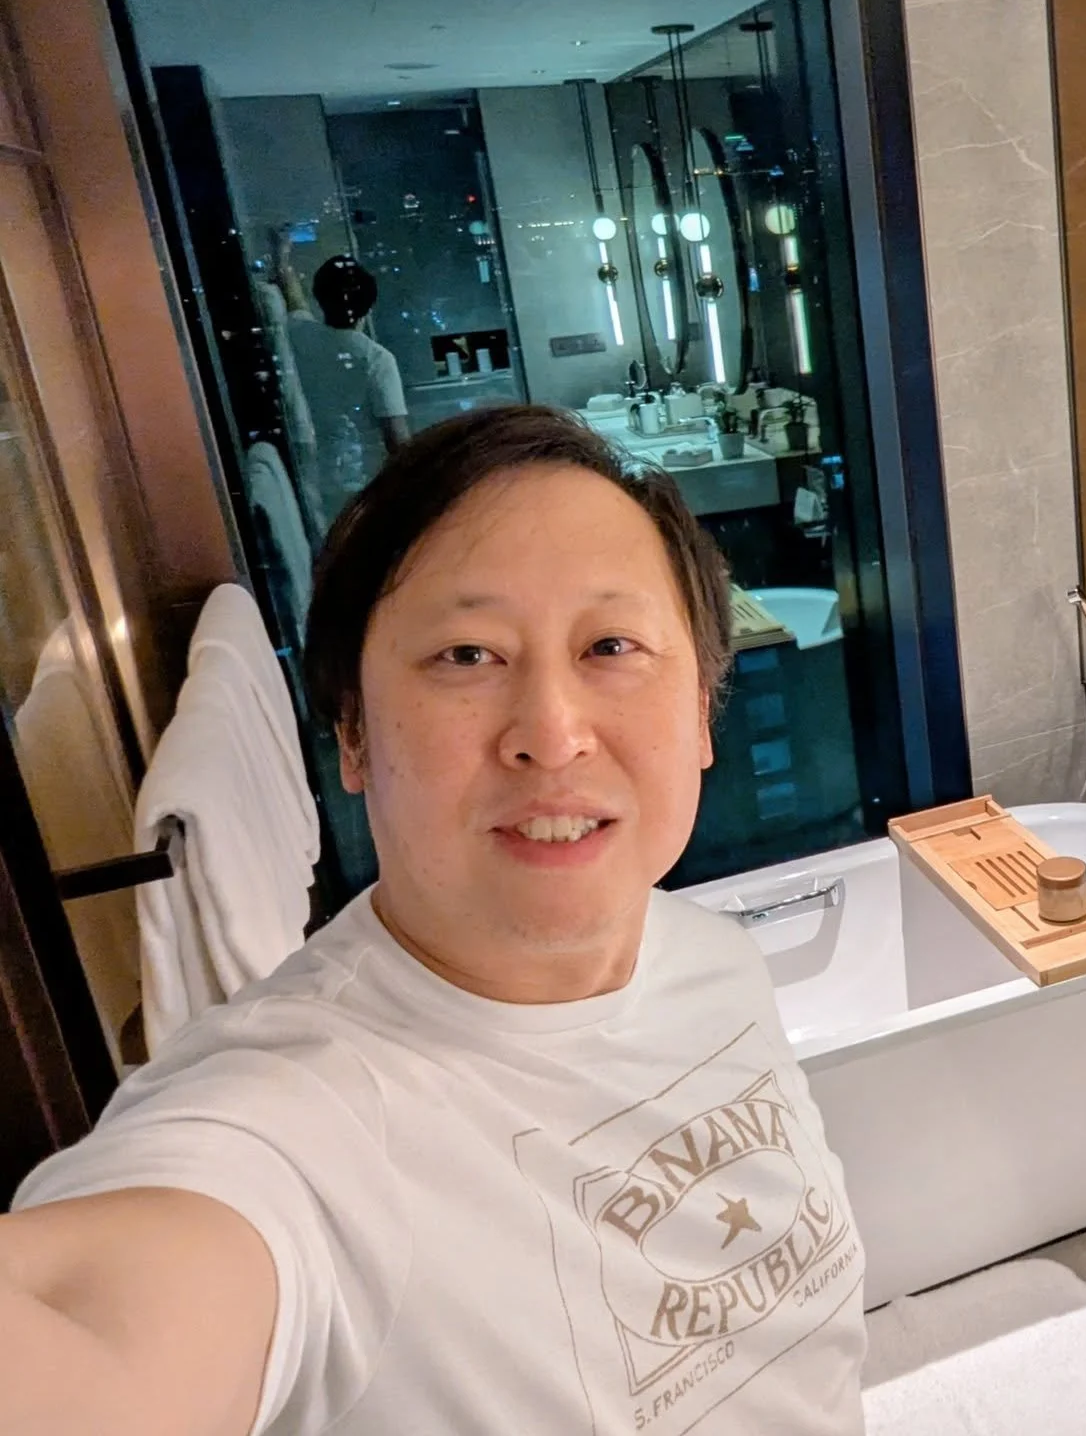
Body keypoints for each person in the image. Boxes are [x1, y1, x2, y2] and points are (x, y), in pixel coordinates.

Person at [0, 407, 867, 1435]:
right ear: (353, 736)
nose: (552, 734)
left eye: (611, 645)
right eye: (466, 654)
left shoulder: (715, 958)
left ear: (702, 715)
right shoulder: (300, 1126)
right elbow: (107, 1341)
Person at [277, 243, 412, 525]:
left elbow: (294, 300)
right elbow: (397, 441)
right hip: (363, 485)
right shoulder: (377, 359)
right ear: (370, 304)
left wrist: (282, 255)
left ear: (320, 297)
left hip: (312, 479)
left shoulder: (300, 335)